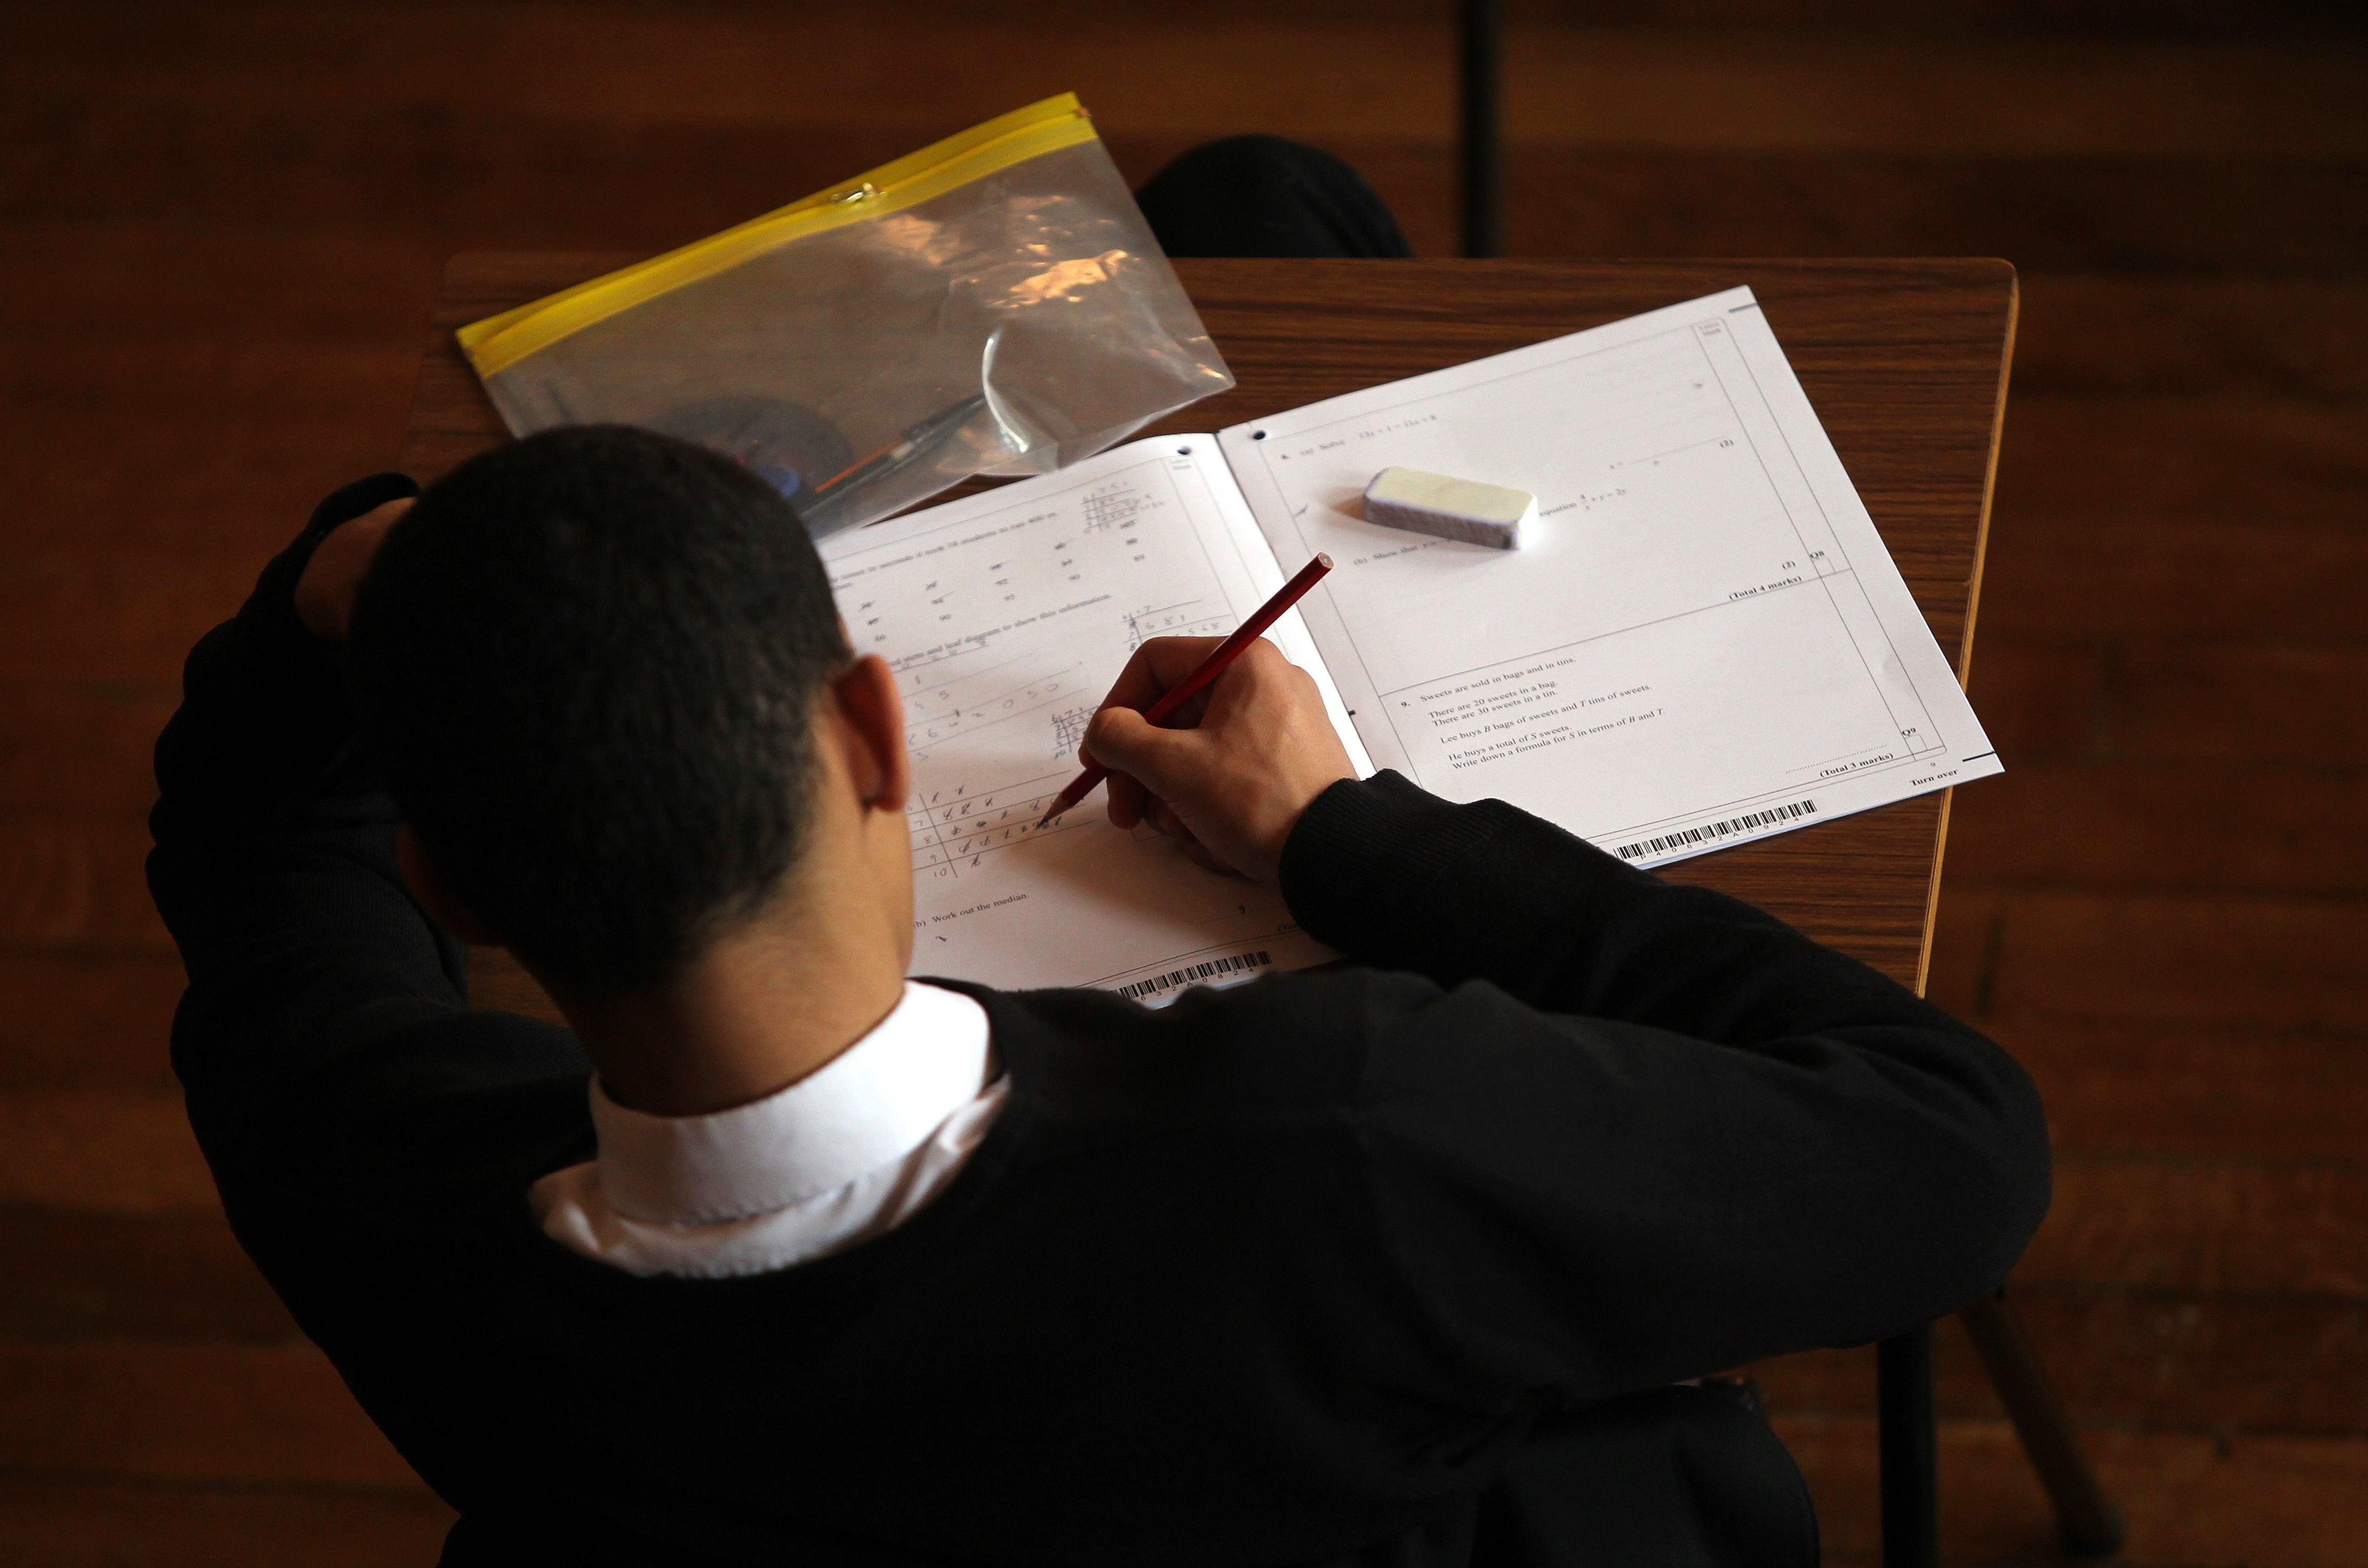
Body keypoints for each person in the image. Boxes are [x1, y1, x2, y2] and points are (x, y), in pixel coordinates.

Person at [149, 144, 2049, 1567]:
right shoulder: (1341, 1148)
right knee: (1272, 189)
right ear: (877, 732)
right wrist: (1347, 839)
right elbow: (1954, 1148)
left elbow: (251, 857)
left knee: (1244, 201)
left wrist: (340, 579)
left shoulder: (366, 1170)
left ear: (455, 888)